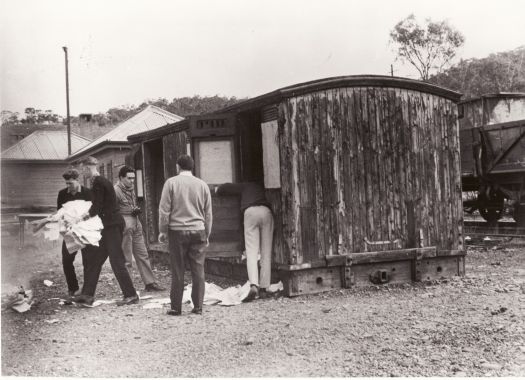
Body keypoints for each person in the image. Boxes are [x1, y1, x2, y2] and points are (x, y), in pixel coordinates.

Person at [72, 156, 139, 306]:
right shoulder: (99, 182)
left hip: (112, 226)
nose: (82, 173)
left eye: (82, 169)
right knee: (95, 260)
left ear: (88, 167)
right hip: (107, 226)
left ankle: (131, 295)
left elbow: (97, 207)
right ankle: (87, 296)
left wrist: (80, 219)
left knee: (116, 261)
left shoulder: (98, 182)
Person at [158, 155, 212, 316]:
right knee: (198, 269)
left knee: (178, 269)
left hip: (177, 231)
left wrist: (162, 230)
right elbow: (208, 213)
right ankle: (198, 307)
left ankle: (176, 307)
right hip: (199, 230)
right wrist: (207, 233)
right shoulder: (202, 185)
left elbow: (164, 211)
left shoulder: (171, 183)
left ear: (177, 167)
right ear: (192, 167)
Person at [216, 181, 274, 301]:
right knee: (266, 252)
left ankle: (254, 285)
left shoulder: (244, 185)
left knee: (251, 252)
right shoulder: (262, 186)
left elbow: (225, 188)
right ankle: (264, 287)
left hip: (250, 212)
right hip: (266, 211)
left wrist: (217, 189)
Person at [114, 165, 164, 292]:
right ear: (121, 178)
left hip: (136, 223)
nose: (132, 181)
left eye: (133, 178)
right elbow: (113, 211)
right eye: (129, 178)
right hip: (125, 225)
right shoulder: (116, 191)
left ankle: (150, 283)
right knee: (127, 258)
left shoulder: (130, 188)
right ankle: (128, 287)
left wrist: (135, 210)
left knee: (143, 254)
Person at [56, 169, 96, 296]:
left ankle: (87, 290)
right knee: (67, 260)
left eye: (71, 183)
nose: (68, 186)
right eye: (66, 183)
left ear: (77, 180)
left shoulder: (87, 193)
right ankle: (73, 288)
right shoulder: (62, 194)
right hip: (70, 232)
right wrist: (65, 224)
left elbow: (93, 212)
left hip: (85, 231)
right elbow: (60, 212)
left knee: (88, 261)